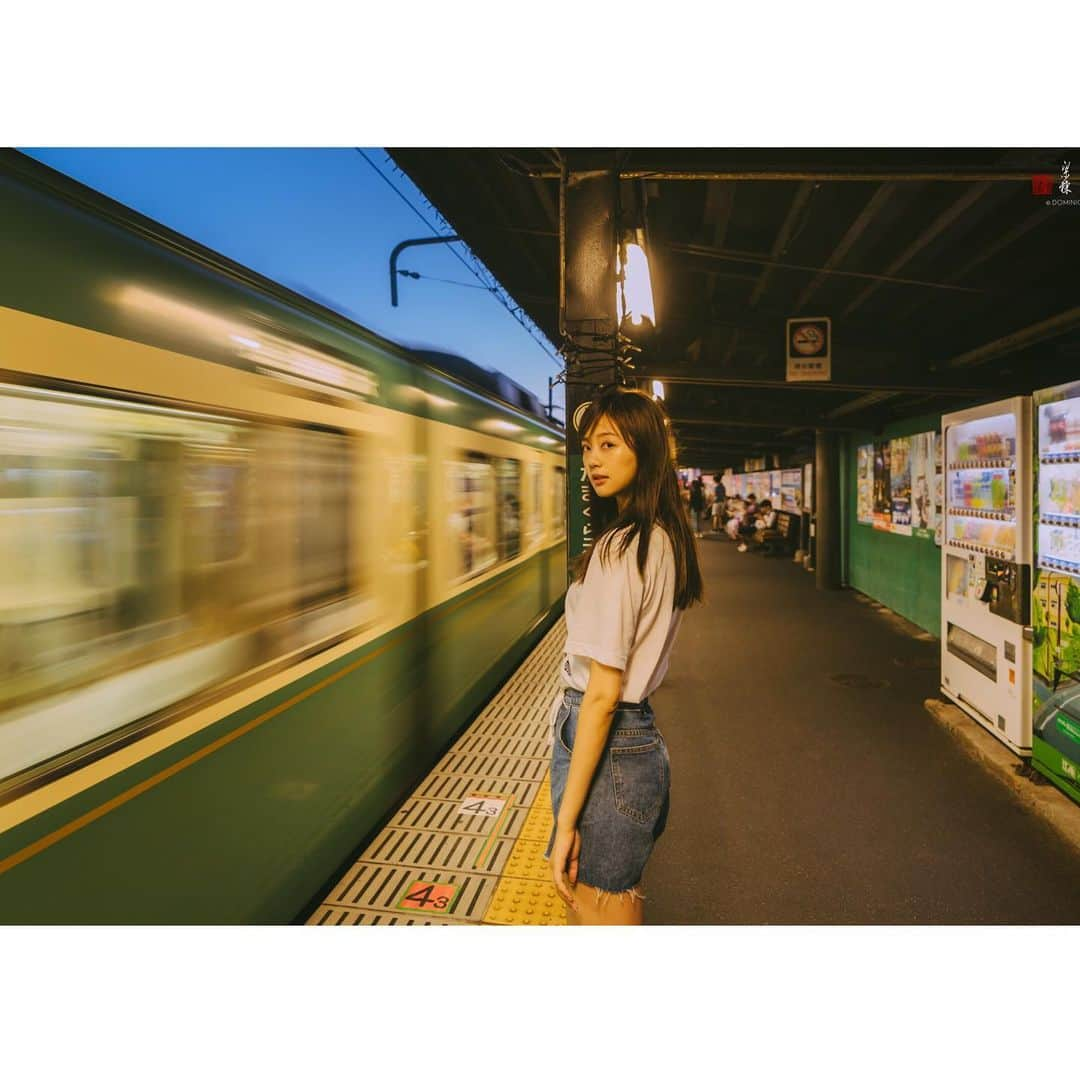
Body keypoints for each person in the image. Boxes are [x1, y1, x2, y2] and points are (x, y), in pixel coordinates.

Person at [545, 386, 703, 925]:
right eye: (589, 446)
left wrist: (566, 822)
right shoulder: (665, 538)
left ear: (646, 450)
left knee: (597, 914)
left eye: (610, 444)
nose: (593, 458)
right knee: (607, 907)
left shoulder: (621, 546)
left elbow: (603, 695)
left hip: (609, 747)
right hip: (637, 749)